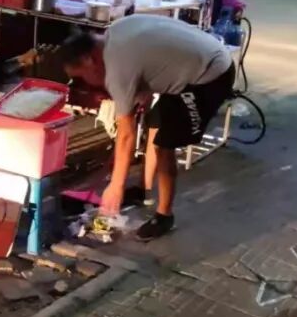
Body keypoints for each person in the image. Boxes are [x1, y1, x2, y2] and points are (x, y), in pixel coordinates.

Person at [60, 14, 235, 240]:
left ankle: (164, 216)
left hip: (210, 76)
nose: (85, 84)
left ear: (89, 60)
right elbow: (153, 54)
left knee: (165, 144)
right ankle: (143, 189)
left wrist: (115, 186)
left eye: (81, 78)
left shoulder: (117, 71)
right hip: (205, 54)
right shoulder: (116, 30)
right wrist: (145, 89)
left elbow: (126, 135)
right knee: (155, 122)